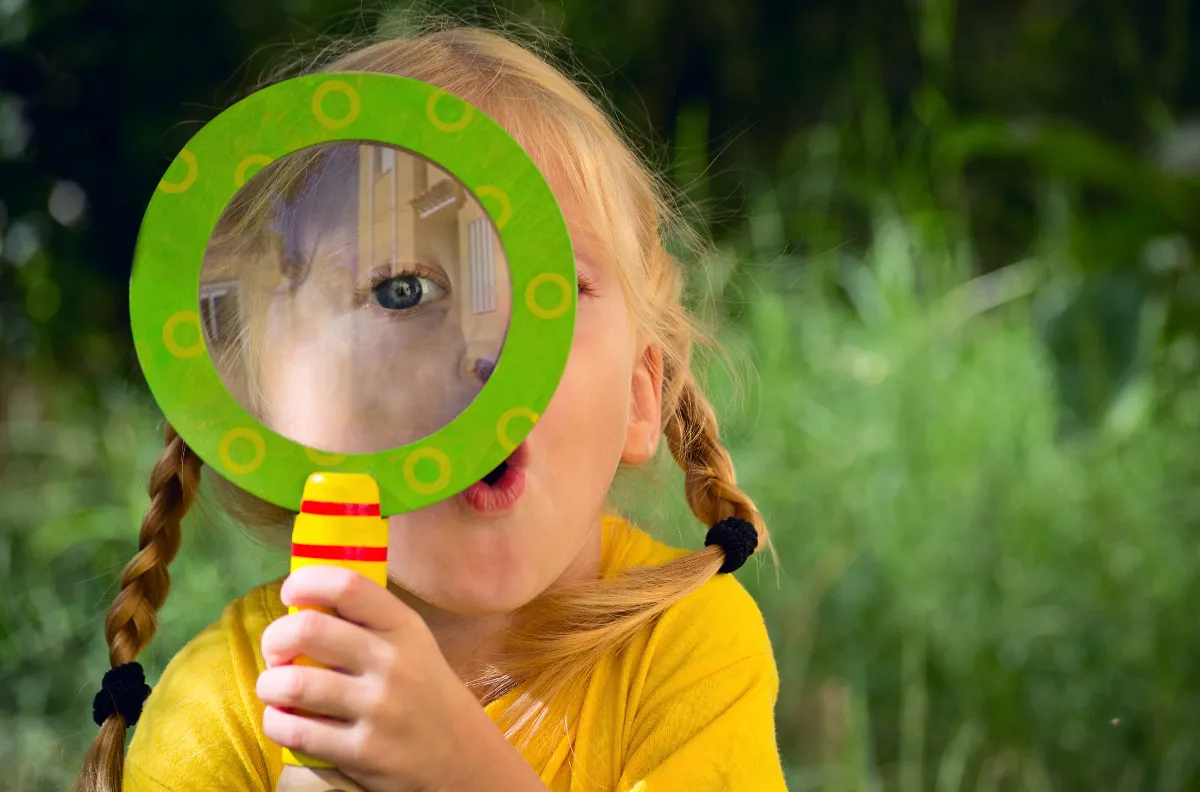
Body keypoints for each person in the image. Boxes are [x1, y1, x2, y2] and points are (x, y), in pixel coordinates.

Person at [75, 21, 788, 792]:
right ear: (270, 412)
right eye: (402, 291)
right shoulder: (224, 701)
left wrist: (462, 773)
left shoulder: (687, 647)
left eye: (554, 290)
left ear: (641, 398)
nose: (485, 352)